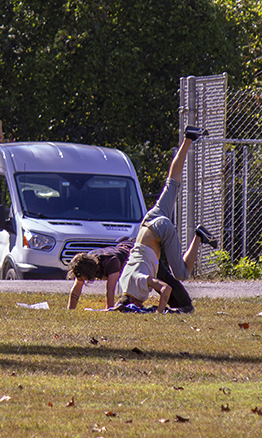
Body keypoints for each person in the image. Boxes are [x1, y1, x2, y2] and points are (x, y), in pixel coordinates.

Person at [117, 125, 219, 313]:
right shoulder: (122, 284)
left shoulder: (137, 284)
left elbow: (166, 289)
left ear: (132, 300)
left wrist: (159, 313)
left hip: (160, 229)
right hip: (148, 221)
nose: (142, 304)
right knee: (173, 182)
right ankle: (189, 137)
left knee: (180, 274)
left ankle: (199, 236)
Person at [65, 236, 194, 311]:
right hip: (128, 250)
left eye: (84, 278)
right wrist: (70, 312)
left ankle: (185, 305)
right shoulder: (86, 262)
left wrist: (110, 311)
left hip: (141, 253)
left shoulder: (111, 262)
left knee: (163, 279)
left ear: (90, 272)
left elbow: (110, 291)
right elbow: (75, 290)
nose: (83, 281)